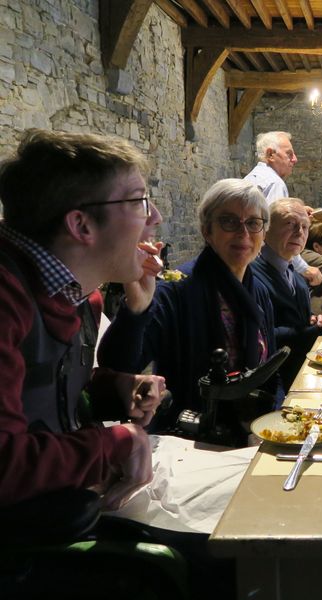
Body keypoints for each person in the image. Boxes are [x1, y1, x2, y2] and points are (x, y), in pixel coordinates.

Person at [0, 129, 165, 511]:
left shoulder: (80, 295)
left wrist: (116, 389)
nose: (154, 217)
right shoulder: (7, 298)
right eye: (140, 201)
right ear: (81, 226)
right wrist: (119, 443)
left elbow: (42, 390)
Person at [97, 179, 281, 436]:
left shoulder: (257, 290)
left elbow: (268, 366)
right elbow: (118, 363)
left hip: (251, 429)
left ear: (264, 232)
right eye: (229, 222)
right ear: (207, 230)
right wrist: (136, 308)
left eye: (253, 223)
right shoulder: (176, 290)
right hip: (191, 436)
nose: (244, 233)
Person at [251, 198, 322, 386]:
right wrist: (319, 328)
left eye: (304, 226)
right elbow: (264, 339)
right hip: (279, 383)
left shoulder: (294, 271)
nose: (299, 232)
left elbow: (297, 321)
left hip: (305, 370)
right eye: (290, 224)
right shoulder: (252, 275)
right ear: (265, 231)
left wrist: (315, 320)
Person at [243, 131, 322, 287]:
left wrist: (297, 213)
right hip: (267, 269)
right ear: (270, 154)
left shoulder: (254, 177)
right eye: (289, 154)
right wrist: (303, 268)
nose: (295, 159)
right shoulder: (274, 183)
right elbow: (278, 235)